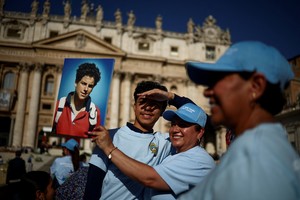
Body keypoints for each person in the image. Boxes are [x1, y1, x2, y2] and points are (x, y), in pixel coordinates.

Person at [178, 41, 300, 200]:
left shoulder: (256, 162)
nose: (208, 92)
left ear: (256, 87)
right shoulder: (253, 149)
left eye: (217, 81)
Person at [83, 81, 193, 200]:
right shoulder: (109, 137)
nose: (148, 107)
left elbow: (201, 120)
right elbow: (92, 186)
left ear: (162, 111)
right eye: (143, 102)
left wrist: (171, 96)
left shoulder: (166, 142)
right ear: (134, 106)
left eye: (155, 104)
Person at [92, 101, 215, 199]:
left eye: (183, 125)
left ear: (200, 132)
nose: (175, 129)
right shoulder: (170, 151)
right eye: (173, 124)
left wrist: (109, 148)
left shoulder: (199, 161)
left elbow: (149, 178)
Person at [52, 62, 101, 138]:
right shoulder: (58, 106)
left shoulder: (95, 112)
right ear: (75, 83)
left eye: (90, 86)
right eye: (83, 83)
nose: (86, 89)